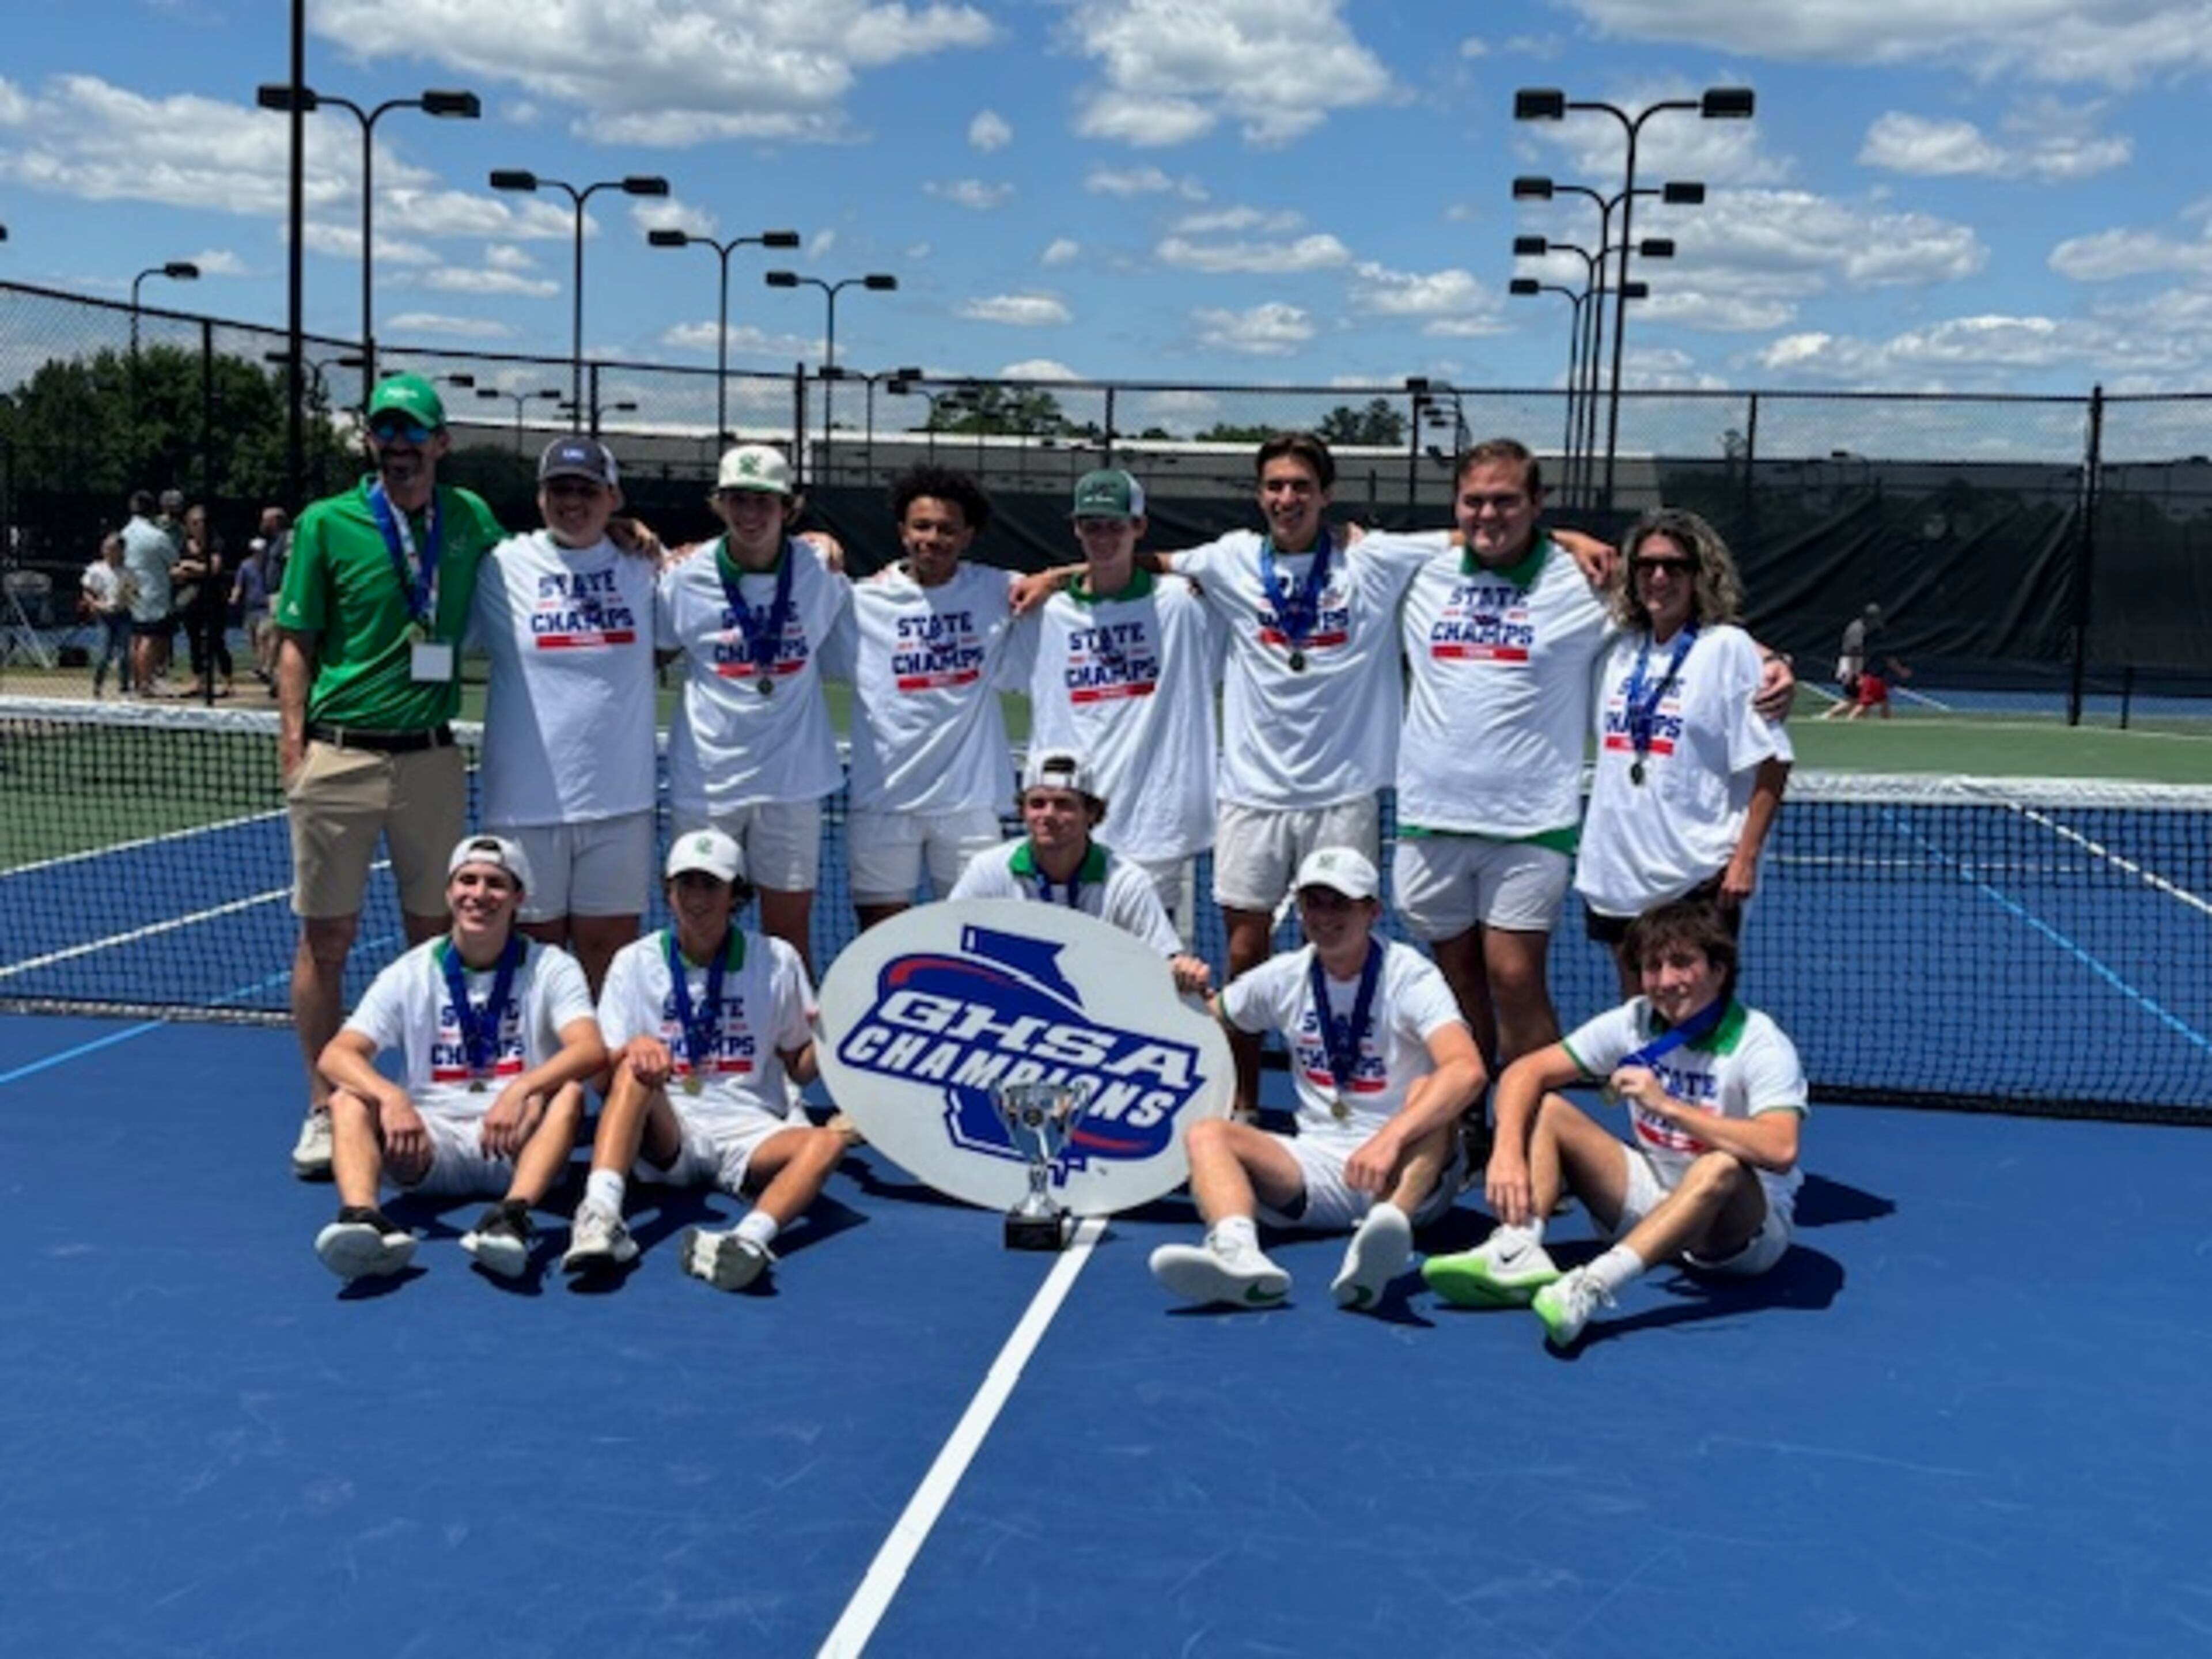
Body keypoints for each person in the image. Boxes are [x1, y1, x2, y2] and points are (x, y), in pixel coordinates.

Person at [274, 373, 508, 1180]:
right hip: (340, 755)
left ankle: (426, 1096)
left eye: (415, 433)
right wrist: (296, 748)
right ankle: (321, 1106)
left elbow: (557, 553)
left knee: (436, 943)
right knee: (327, 940)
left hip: (433, 758)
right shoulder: (325, 523)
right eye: (386, 432)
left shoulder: (471, 519)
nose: (400, 447)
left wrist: (641, 535)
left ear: (441, 443)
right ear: (370, 441)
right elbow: (296, 637)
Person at [1422, 899, 1806, 1350]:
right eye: (1652, 966)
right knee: (1547, 1108)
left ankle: (1592, 1286)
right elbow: (1525, 1072)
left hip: (1738, 1234)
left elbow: (1781, 1150)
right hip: (1656, 1197)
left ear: (1719, 970)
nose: (1665, 981)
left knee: (1718, 1165)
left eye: (1682, 963)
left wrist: (1670, 1107)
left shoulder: (1760, 1043)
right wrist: (1506, 1151)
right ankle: (1518, 1248)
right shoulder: (1636, 1021)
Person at [1147, 847, 1484, 1312]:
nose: (1325, 917)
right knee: (1208, 1135)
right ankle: (1238, 1256)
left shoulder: (1410, 976)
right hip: (1317, 1166)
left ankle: (1386, 1233)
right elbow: (1206, 1020)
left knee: (1431, 1092)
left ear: (1372, 911)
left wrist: (1390, 1139)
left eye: (1340, 903)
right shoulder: (1284, 976)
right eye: (1314, 903)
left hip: (1408, 1169)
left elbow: (1468, 1070)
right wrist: (1181, 985)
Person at [311, 834, 606, 1283]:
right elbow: (336, 1054)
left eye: (495, 884)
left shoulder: (550, 966)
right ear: (449, 893)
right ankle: (363, 1220)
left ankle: (513, 1217)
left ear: (518, 898)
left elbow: (589, 1048)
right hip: (429, 1146)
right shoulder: (411, 971)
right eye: (467, 881)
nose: (479, 895)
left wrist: (523, 1088)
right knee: (348, 1101)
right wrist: (392, 1097)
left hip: (519, 1143)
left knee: (566, 1094)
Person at [564, 828, 848, 1290]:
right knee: (633, 1073)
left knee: (827, 1144)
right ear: (669, 891)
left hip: (751, 1128)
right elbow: (602, 1083)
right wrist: (627, 1052)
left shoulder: (777, 960)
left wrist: (835, 1036)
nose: (697, 898)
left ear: (736, 894)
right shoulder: (634, 962)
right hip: (669, 1124)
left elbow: (799, 1065)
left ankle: (744, 1241)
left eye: (711, 885)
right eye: (686, 884)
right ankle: (600, 1216)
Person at [1576, 507, 1793, 994]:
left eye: (1675, 567)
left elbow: (1774, 761)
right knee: (1639, 1013)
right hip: (1618, 872)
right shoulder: (1616, 649)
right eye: (1647, 566)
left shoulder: (1728, 649)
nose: (1659, 577)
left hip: (1695, 877)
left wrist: (1745, 859)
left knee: (1694, 1015)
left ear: (1701, 576)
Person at [471, 436, 658, 994]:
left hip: (619, 804)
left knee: (612, 964)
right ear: (540, 496)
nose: (572, 502)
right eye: (559, 489)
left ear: (613, 497)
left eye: (586, 489)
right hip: (524, 808)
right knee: (535, 965)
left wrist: (813, 541)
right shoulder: (500, 567)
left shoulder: (644, 567)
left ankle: (613, 1085)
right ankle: (546, 1084)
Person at [658, 443, 851, 980]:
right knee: (698, 931)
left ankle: (790, 1063)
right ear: (719, 505)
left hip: (792, 782)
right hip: (708, 783)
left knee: (790, 937)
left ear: (789, 508)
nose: (750, 514)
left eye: (764, 502)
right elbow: (651, 652)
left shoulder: (820, 570)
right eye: (738, 500)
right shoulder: (683, 577)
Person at [1010, 468, 1222, 917]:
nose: (1102, 536)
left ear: (1139, 528)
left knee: (1155, 963)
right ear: (1076, 529)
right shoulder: (1047, 613)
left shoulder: (1181, 604)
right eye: (1091, 526)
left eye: (1114, 525)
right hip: (1071, 822)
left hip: (1156, 825)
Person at [825, 465, 1022, 929]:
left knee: (978, 939)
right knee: (880, 940)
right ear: (902, 531)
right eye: (922, 526)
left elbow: (1089, 577)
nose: (933, 538)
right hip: (883, 802)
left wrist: (1051, 577)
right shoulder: (858, 602)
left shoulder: (996, 590)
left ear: (968, 535)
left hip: (969, 807)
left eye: (947, 529)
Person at [948, 748, 1212, 994]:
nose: (1048, 815)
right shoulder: (989, 869)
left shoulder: (1126, 881)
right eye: (1037, 803)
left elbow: (1163, 958)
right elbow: (946, 939)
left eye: (1064, 804)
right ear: (1023, 812)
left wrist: (1183, 972)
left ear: (1092, 813)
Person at [118, 489, 176, 696]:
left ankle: (137, 681)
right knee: (149, 637)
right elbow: (173, 561)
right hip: (151, 590)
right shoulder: (157, 536)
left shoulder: (124, 533)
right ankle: (145, 683)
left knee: (136, 637)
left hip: (129, 586)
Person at [173, 502, 233, 698]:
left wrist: (191, 565)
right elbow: (176, 570)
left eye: (202, 522)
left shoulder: (216, 542)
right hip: (192, 599)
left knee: (216, 639)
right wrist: (185, 570)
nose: (199, 526)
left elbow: (214, 568)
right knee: (194, 640)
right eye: (194, 523)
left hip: (214, 598)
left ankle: (227, 681)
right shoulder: (185, 543)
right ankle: (197, 680)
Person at [79, 532, 134, 698]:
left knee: (125, 655)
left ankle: (124, 689)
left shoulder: (128, 571)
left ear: (122, 551)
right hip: (105, 617)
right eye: (106, 548)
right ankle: (98, 687)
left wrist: (126, 600)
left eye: (113, 549)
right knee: (104, 655)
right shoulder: (96, 570)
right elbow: (87, 593)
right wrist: (96, 605)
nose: (109, 552)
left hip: (123, 616)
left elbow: (133, 593)